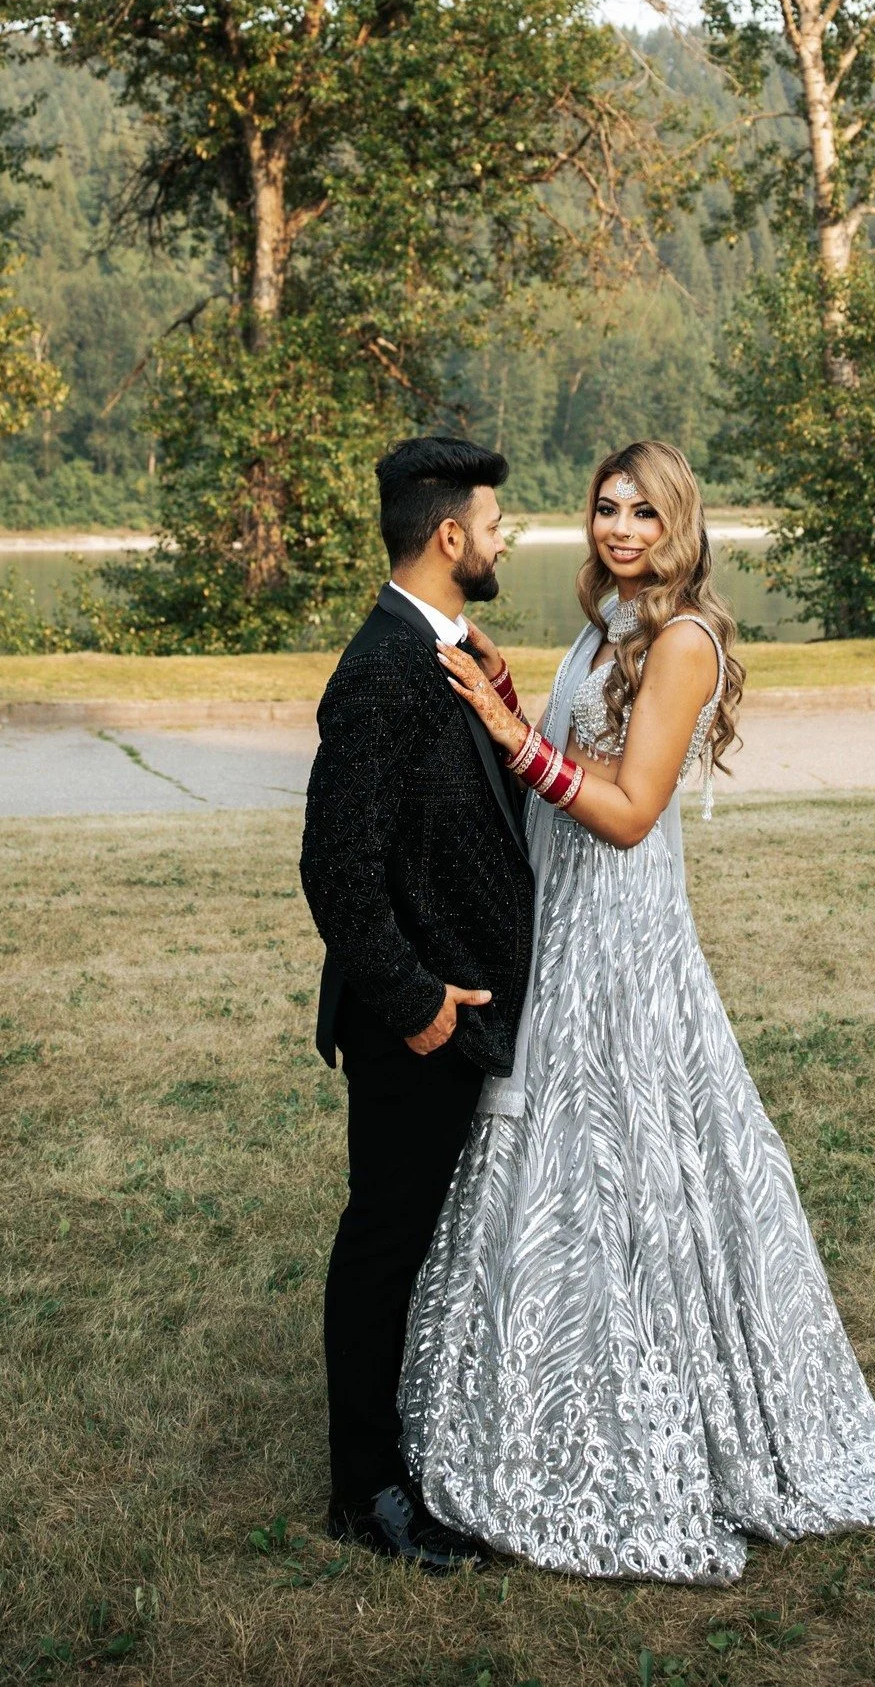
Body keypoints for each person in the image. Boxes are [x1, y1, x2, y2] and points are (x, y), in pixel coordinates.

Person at [399, 440, 875, 1584]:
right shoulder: (608, 623)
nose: (620, 527)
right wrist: (511, 695)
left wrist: (513, 738)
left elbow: (630, 811)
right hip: (563, 916)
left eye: (643, 510)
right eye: (605, 507)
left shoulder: (682, 640)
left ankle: (663, 1396)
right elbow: (582, 751)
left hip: (621, 929)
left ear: (680, 522)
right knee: (553, 1146)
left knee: (630, 1145)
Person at [300, 436, 533, 1571]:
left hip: (459, 1016)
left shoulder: (441, 650)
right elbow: (335, 867)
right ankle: (368, 1489)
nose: (502, 537)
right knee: (384, 1241)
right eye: (494, 521)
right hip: (417, 1024)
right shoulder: (382, 667)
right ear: (450, 536)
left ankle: (409, 1447)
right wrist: (418, 1003)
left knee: (409, 1241)